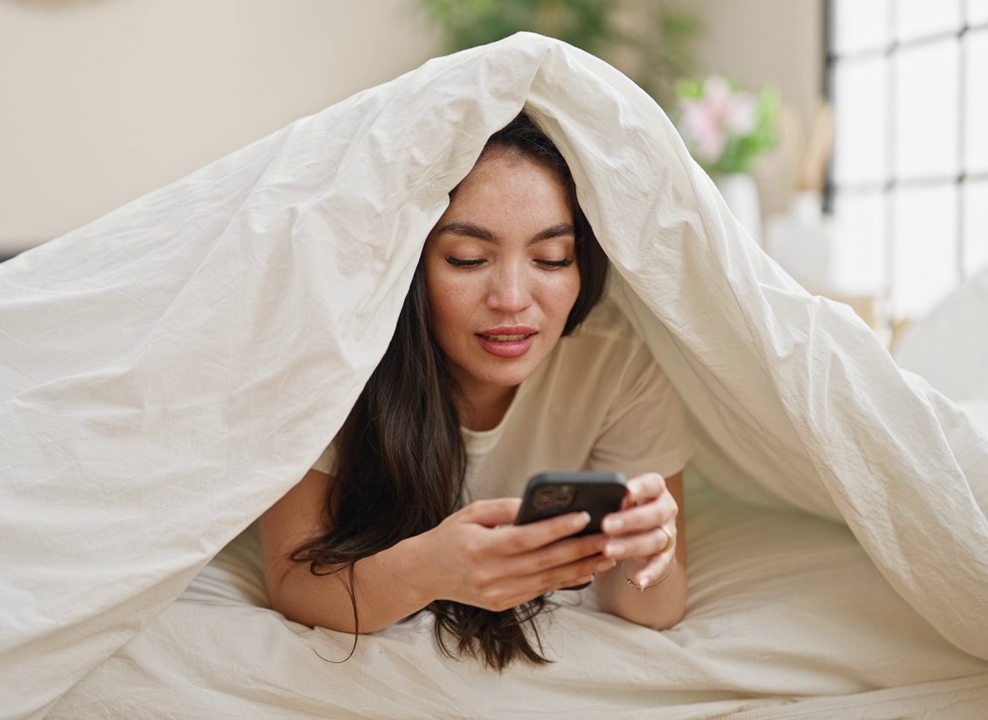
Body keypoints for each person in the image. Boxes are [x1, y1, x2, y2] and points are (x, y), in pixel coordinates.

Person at [259, 112, 691, 670]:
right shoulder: (337, 360)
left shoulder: (617, 363)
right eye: (467, 259)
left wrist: (647, 554)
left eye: (550, 259)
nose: (512, 298)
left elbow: (656, 610)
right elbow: (291, 583)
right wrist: (429, 569)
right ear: (411, 263)